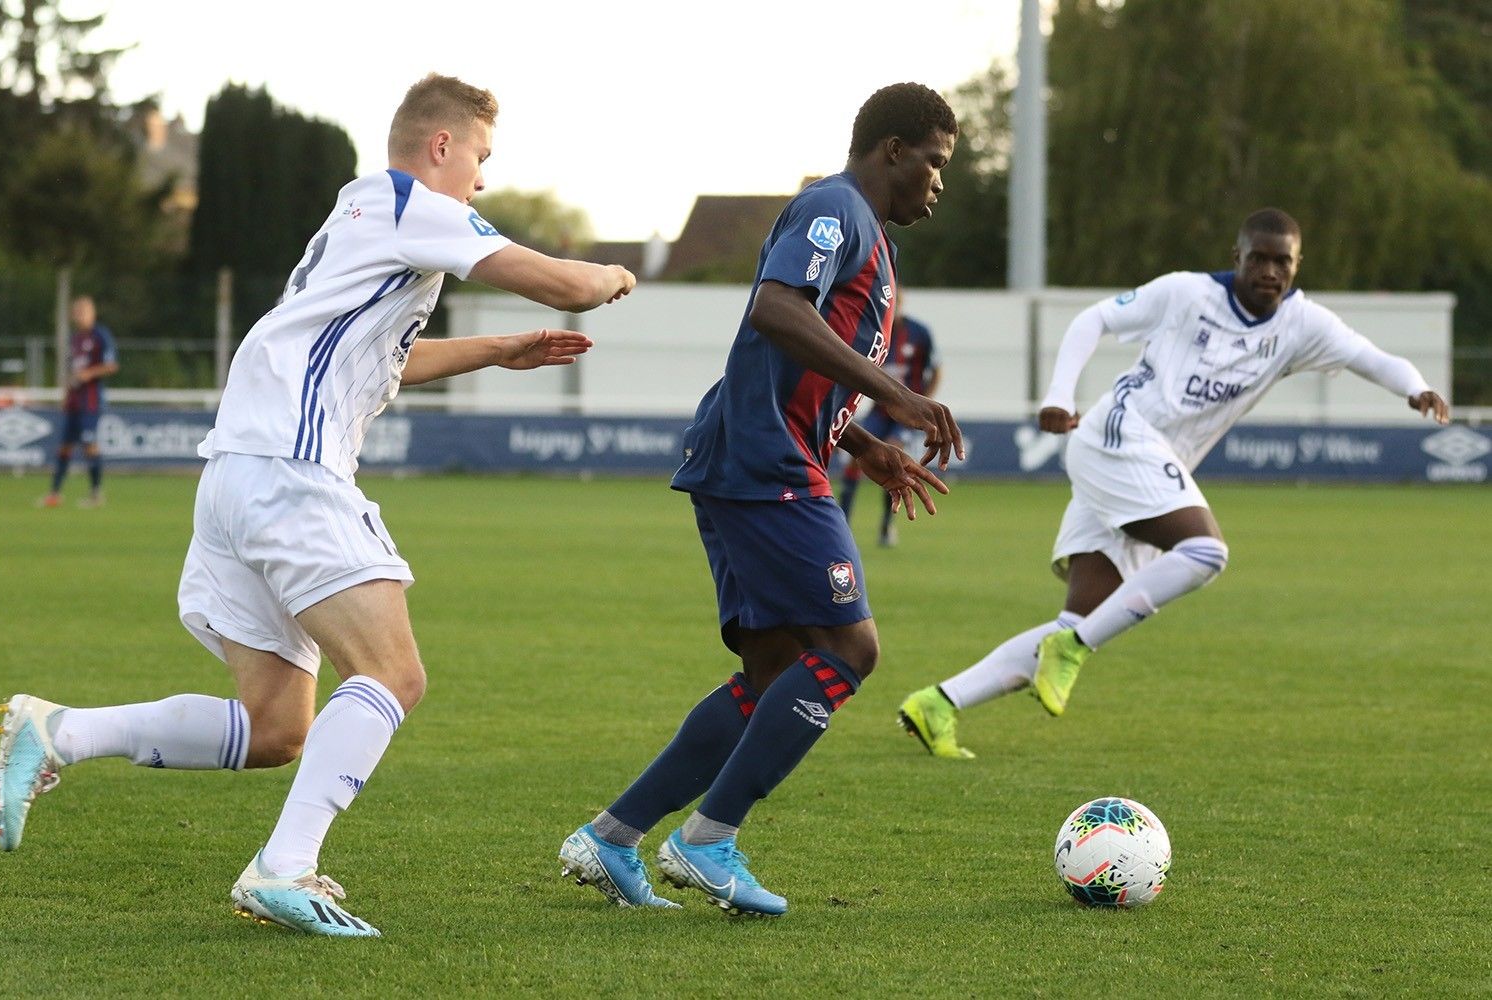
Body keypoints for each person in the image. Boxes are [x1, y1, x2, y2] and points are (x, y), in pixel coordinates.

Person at [0, 73, 636, 937]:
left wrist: (497, 350)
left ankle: (58, 731)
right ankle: (283, 868)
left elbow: (385, 361)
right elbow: (562, 283)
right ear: (441, 146)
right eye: (481, 158)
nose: (481, 180)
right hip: (291, 470)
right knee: (393, 675)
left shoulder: (362, 215)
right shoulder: (414, 203)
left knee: (275, 727)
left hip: (236, 473)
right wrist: (609, 273)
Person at [559, 83, 962, 917]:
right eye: (934, 162)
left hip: (764, 453)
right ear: (893, 150)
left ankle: (614, 833)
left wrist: (864, 441)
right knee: (851, 648)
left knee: (775, 669)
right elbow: (776, 312)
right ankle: (708, 841)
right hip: (765, 461)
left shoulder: (869, 239)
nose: (938, 182)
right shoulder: (834, 209)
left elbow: (794, 362)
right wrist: (897, 393)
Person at [897, 208, 1451, 759]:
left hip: (1148, 467)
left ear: (1297, 265)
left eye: (1282, 261)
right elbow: (1093, 319)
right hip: (1118, 436)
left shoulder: (1302, 325)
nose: (1270, 271)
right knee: (1205, 551)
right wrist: (1058, 395)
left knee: (1079, 616)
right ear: (1237, 257)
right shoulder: (1187, 294)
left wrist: (1416, 388)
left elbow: (1370, 358)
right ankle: (1073, 649)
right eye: (1258, 258)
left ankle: (939, 703)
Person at [837, 307, 941, 546]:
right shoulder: (875, 330)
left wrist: (926, 403)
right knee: (855, 457)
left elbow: (937, 369)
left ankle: (886, 524)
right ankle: (843, 522)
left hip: (905, 415)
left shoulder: (919, 332)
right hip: (878, 411)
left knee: (893, 456)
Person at [42, 296, 118, 508]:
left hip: (91, 402)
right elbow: (70, 370)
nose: (80, 315)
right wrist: (67, 393)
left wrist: (89, 374)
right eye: (77, 311)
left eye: (84, 311)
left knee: (89, 445)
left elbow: (111, 365)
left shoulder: (100, 335)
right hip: (74, 402)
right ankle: (54, 493)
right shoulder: (74, 339)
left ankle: (96, 494)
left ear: (92, 312)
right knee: (64, 447)